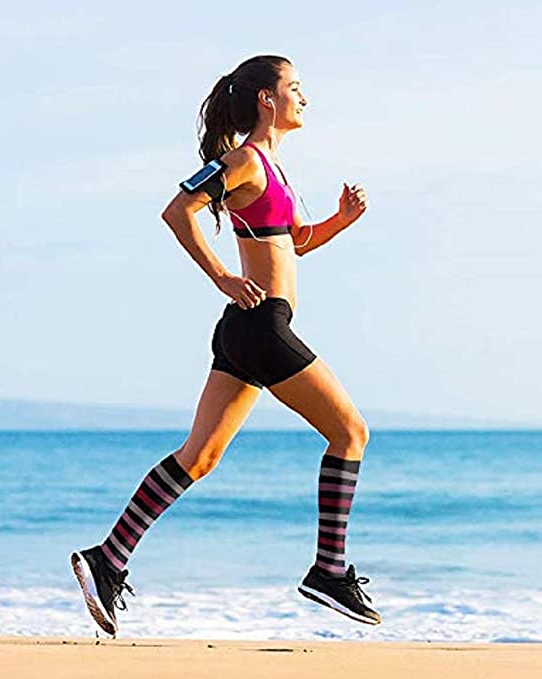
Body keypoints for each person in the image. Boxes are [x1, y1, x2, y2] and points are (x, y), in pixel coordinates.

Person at [71, 54, 381, 636]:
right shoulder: (242, 160)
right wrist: (220, 274)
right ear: (267, 99)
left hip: (248, 329)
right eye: (295, 88)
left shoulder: (272, 167)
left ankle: (107, 559)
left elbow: (290, 244)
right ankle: (329, 570)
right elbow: (177, 210)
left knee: (200, 456)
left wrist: (339, 222)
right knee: (350, 432)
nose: (304, 98)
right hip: (260, 325)